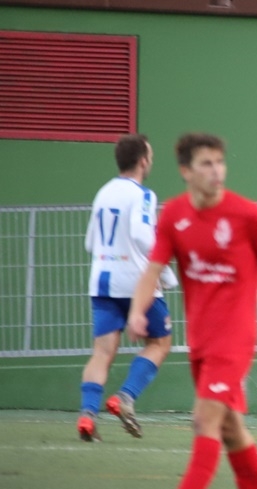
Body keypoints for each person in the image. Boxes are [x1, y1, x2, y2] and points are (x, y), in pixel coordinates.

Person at [128, 133, 257, 489]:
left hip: (235, 338)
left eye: (219, 162)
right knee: (231, 430)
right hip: (201, 339)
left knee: (204, 419)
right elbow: (152, 270)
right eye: (206, 164)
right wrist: (138, 310)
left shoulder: (248, 215)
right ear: (186, 171)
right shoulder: (173, 215)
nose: (216, 171)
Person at [77, 134, 176, 442]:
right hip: (134, 280)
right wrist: (166, 273)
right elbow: (143, 235)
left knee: (103, 351)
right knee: (160, 343)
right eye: (150, 156)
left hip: (102, 280)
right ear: (143, 160)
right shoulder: (143, 195)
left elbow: (90, 242)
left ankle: (87, 415)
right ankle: (126, 396)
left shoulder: (103, 192)